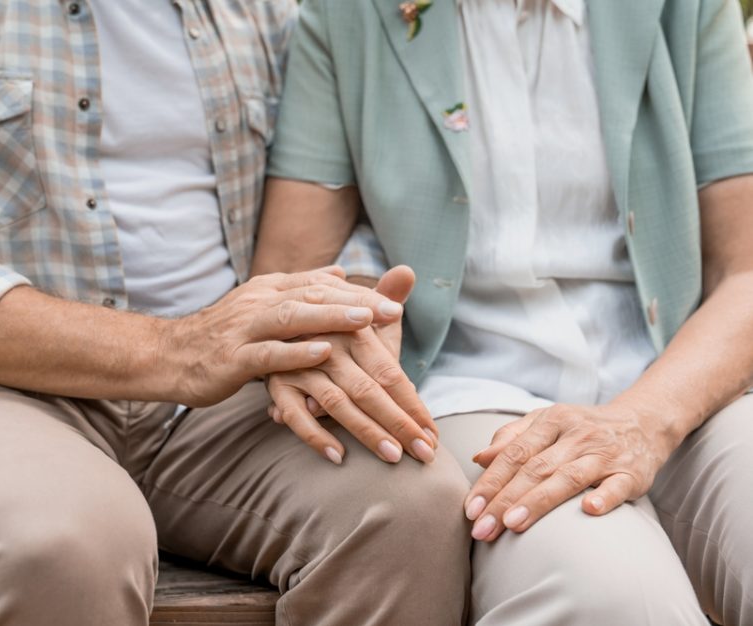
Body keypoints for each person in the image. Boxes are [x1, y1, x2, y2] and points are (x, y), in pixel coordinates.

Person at [0, 2, 477, 625]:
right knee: (53, 543)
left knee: (413, 507)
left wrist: (339, 313)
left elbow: (339, 203)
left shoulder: (270, 12)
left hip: (228, 397)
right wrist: (177, 349)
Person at [253, 0, 753, 624]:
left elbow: (746, 271)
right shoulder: (348, 15)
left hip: (681, 377)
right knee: (608, 599)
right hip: (477, 395)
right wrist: (358, 307)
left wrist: (642, 422)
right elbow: (291, 272)